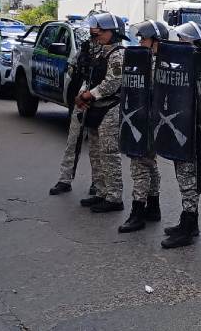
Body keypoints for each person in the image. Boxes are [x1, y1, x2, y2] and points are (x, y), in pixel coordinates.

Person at [162, 21, 201, 249]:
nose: (181, 44)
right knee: (183, 177)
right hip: (181, 127)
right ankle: (189, 221)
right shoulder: (181, 65)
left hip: (193, 130)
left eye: (185, 41)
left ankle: (189, 225)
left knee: (189, 178)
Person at [117, 20, 169, 233]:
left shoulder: (154, 65)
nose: (140, 42)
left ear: (156, 41)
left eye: (144, 39)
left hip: (146, 122)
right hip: (149, 122)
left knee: (139, 166)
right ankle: (153, 206)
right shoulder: (162, 63)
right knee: (150, 164)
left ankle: (137, 212)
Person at [75, 12, 127, 213]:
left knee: (109, 154)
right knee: (95, 153)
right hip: (95, 108)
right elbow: (90, 77)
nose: (98, 34)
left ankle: (114, 197)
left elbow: (112, 83)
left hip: (110, 108)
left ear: (114, 32)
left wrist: (89, 95)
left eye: (103, 31)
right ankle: (101, 192)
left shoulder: (118, 54)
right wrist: (82, 95)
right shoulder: (101, 52)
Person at [49, 31, 97, 196]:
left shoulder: (113, 52)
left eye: (98, 30)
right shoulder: (85, 49)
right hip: (80, 101)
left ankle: (98, 182)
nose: (94, 35)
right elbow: (72, 71)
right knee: (72, 142)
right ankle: (65, 179)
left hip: (101, 103)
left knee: (97, 148)